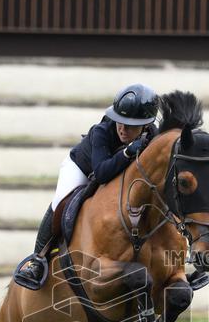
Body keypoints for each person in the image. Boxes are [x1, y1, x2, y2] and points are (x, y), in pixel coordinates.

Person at [14, 83, 159, 290]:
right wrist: (127, 152)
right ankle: (38, 260)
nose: (122, 129)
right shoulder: (101, 131)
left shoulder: (152, 135)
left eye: (130, 125)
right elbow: (101, 173)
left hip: (119, 176)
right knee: (61, 202)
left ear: (145, 125)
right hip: (82, 169)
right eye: (120, 121)